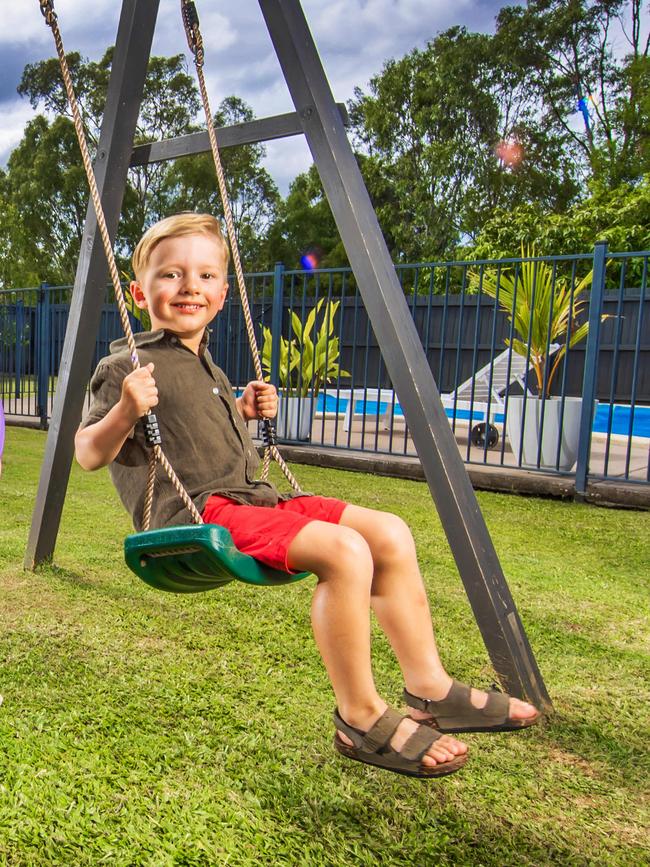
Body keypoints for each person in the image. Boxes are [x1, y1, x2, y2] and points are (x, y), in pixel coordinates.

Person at [75, 213, 540, 779]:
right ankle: (360, 714)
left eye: (204, 275)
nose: (189, 286)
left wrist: (243, 411)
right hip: (204, 514)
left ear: (223, 292)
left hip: (257, 500)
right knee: (345, 551)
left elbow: (199, 436)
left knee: (389, 531)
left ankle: (431, 688)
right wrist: (126, 407)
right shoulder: (126, 364)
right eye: (170, 274)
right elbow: (89, 454)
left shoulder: (213, 370)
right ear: (137, 291)